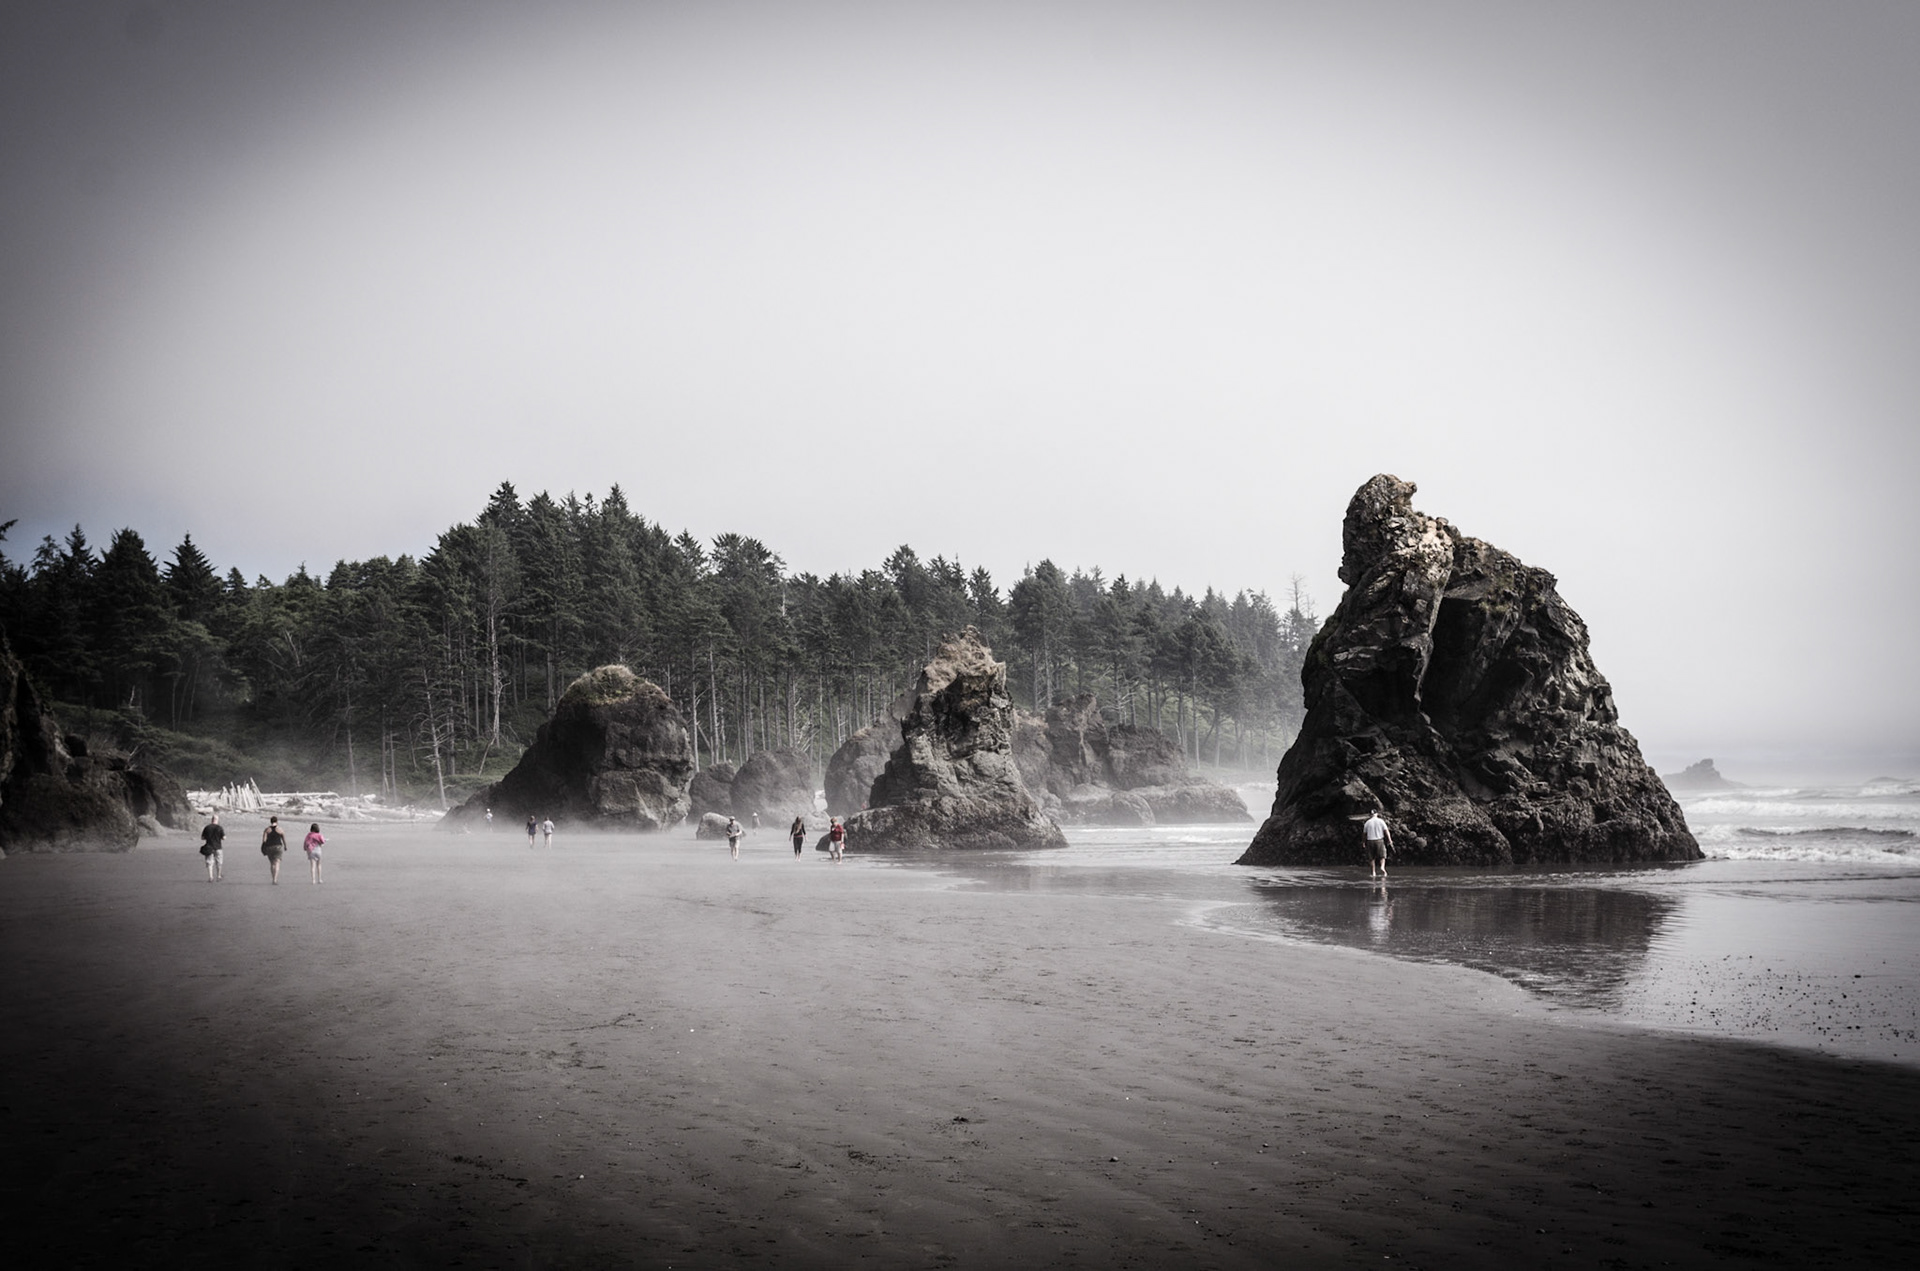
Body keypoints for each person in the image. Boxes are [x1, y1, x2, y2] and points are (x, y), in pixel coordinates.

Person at [1362, 807, 1393, 879]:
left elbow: (1364, 834)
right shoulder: (1381, 821)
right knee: (1382, 856)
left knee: (1371, 858)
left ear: (1370, 815)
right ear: (1376, 814)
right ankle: (1382, 867)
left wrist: (1363, 842)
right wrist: (1390, 840)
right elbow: (1386, 831)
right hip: (1379, 840)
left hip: (1370, 841)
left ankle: (1373, 872)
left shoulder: (1367, 823)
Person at [261, 816, 288, 884]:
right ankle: (275, 879)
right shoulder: (280, 829)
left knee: (272, 863)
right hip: (278, 847)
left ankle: (273, 878)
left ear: (271, 821)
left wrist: (263, 848)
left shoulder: (267, 830)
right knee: (277, 863)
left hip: (269, 847)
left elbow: (264, 840)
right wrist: (285, 846)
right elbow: (283, 839)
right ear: (277, 821)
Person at [199, 813, 225, 882]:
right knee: (219, 862)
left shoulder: (207, 827)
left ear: (212, 820)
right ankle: (218, 876)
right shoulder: (219, 828)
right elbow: (224, 838)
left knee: (209, 862)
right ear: (217, 820)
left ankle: (211, 877)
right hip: (218, 847)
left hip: (209, 847)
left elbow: (202, 837)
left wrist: (208, 837)